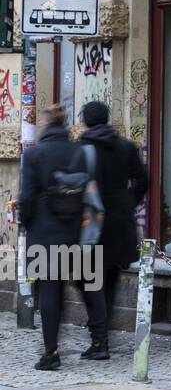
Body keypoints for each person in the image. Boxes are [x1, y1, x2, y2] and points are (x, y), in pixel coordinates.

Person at [18, 104, 108, 369]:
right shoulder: (81, 150)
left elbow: (27, 198)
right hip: (78, 232)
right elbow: (93, 189)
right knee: (90, 287)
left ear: (45, 125)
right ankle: (101, 342)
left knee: (50, 291)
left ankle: (51, 353)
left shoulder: (34, 155)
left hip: (45, 234)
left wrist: (29, 224)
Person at [80, 101, 146, 337]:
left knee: (86, 279)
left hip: (90, 223)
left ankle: (99, 335)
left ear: (85, 121)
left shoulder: (81, 149)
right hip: (119, 222)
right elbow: (143, 180)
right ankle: (102, 330)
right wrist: (128, 202)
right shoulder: (126, 147)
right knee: (109, 277)